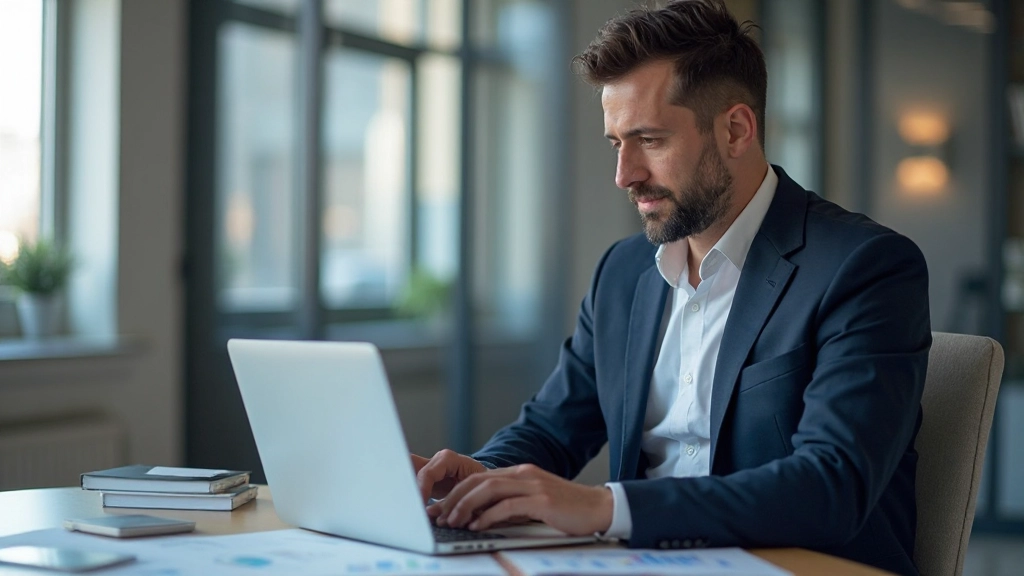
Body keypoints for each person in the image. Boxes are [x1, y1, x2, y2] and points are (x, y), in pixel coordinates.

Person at [413, 1, 930, 574]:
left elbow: (831, 484)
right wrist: (482, 479)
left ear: (736, 129)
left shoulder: (865, 267)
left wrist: (604, 506)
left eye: (650, 140)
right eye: (616, 143)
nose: (625, 174)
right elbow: (552, 428)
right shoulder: (623, 273)